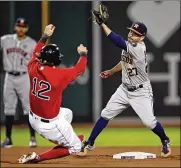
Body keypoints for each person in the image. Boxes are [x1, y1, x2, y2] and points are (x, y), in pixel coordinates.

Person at [77, 6, 171, 158]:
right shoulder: (129, 47)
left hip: (140, 91)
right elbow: (124, 62)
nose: (131, 35)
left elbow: (117, 40)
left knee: (149, 122)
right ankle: (90, 142)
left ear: (142, 38)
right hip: (124, 89)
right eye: (131, 31)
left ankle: (165, 140)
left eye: (136, 34)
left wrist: (102, 24)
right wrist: (112, 71)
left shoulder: (139, 48)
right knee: (105, 114)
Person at [18, 24, 88, 163]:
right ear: (57, 60)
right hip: (49, 124)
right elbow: (80, 68)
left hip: (33, 118)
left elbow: (35, 52)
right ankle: (38, 157)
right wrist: (83, 54)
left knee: (67, 113)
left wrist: (44, 36)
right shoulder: (60, 75)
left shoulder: (33, 68)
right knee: (77, 147)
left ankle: (66, 138)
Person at [0, 18, 37, 148]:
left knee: (28, 108)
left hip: (24, 77)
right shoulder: (5, 40)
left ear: (26, 28)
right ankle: (8, 139)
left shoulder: (32, 43)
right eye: (19, 26)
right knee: (8, 108)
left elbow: (37, 60)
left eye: (23, 26)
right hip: (9, 76)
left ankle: (33, 137)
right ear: (15, 27)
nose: (21, 28)